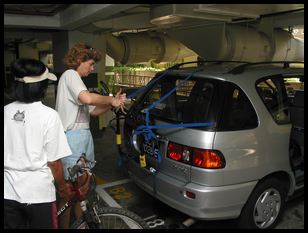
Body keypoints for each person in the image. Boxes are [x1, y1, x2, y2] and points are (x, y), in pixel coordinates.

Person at [55, 43, 127, 228]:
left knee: (80, 192)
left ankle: (82, 224)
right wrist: (111, 99)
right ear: (80, 60)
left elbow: (93, 111)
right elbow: (88, 99)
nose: (93, 68)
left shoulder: (76, 81)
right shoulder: (71, 75)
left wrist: (113, 103)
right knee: (70, 193)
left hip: (82, 137)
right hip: (73, 138)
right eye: (91, 63)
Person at [4, 58, 74, 229]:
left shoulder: (5, 111)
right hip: (39, 194)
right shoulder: (49, 115)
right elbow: (54, 163)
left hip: (7, 192)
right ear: (41, 86)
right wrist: (63, 187)